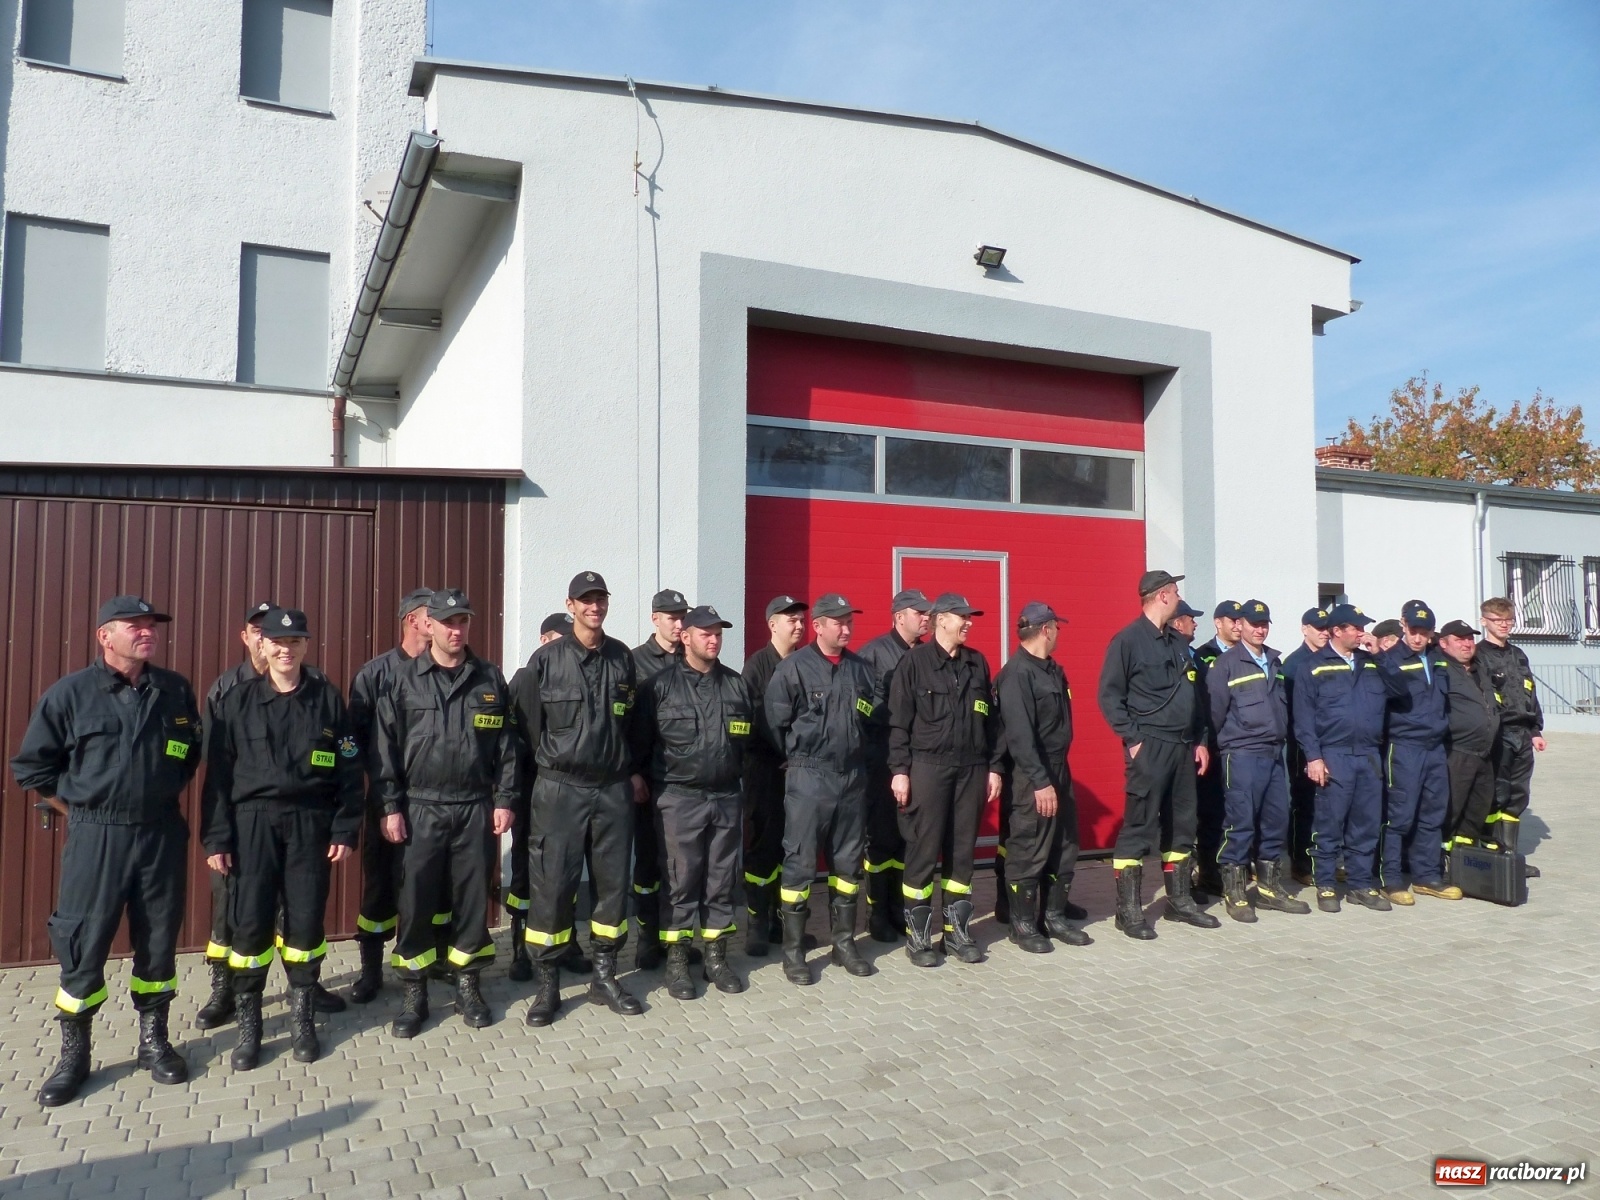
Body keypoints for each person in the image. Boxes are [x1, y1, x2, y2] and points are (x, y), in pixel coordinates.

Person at [11, 596, 202, 1106]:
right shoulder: (71, 694)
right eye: (134, 627)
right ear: (104, 636)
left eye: (151, 626)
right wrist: (83, 811)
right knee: (82, 942)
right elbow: (32, 768)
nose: (147, 633)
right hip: (98, 836)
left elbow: (187, 754)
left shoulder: (173, 691)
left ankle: (154, 1040)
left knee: (159, 937)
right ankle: (75, 1054)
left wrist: (153, 794)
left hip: (160, 833)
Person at [202, 607, 363, 1069]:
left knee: (306, 923)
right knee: (249, 923)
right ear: (260, 645)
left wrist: (345, 825)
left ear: (306, 646)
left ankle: (302, 1019)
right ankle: (250, 1027)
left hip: (310, 822)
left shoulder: (327, 700)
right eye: (276, 642)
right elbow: (217, 779)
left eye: (294, 643)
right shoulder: (237, 701)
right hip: (252, 824)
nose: (284, 650)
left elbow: (350, 768)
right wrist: (217, 839)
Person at [373, 589, 518, 1037]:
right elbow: (384, 750)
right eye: (447, 622)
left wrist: (505, 798)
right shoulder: (403, 680)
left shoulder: (489, 679)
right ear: (428, 625)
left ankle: (468, 986)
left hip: (474, 804)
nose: (456, 630)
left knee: (472, 901)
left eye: (463, 622)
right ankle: (414, 993)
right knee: (415, 901)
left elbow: (508, 747)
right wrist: (390, 807)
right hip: (421, 806)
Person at [510, 571, 649, 1026]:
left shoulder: (622, 659)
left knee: (612, 886)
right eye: (586, 600)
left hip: (610, 787)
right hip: (560, 788)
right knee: (552, 885)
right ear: (570, 606)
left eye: (601, 599)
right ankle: (548, 985)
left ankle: (604, 975)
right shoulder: (545, 660)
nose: (595, 607)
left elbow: (630, 725)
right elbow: (529, 730)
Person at [764, 593, 886, 985]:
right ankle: (794, 952)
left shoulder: (861, 670)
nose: (846, 628)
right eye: (838, 622)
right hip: (808, 777)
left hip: (851, 778)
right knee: (799, 864)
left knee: (848, 865)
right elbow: (775, 725)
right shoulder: (794, 670)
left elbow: (871, 719)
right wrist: (800, 763)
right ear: (817, 626)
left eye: (849, 621)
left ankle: (844, 944)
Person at [632, 605, 753, 999]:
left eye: (718, 633)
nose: (714, 639)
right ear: (685, 637)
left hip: (725, 796)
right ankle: (678, 959)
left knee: (721, 881)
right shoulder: (658, 687)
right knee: (680, 881)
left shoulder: (737, 686)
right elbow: (639, 745)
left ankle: (717, 957)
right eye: (705, 633)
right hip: (679, 798)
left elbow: (747, 744)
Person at [1097, 571, 1218, 939]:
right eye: (1176, 591)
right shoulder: (1128, 641)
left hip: (1183, 748)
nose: (1180, 596)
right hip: (1150, 745)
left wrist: (1199, 740)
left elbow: (1194, 696)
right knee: (1139, 827)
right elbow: (1110, 696)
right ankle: (1128, 910)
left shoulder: (1177, 642)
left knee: (1182, 826)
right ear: (1162, 596)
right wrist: (1133, 740)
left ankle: (1179, 901)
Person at [888, 593, 1001, 966]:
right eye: (962, 617)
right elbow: (899, 723)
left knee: (962, 854)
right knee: (922, 851)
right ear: (940, 621)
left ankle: (956, 934)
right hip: (928, 768)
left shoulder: (977, 663)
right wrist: (900, 771)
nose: (968, 623)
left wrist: (994, 768)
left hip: (970, 768)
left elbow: (992, 722)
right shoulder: (914, 664)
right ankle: (918, 938)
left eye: (970, 617)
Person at [346, 587, 434, 1005]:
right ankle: (370, 970)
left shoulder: (447, 668)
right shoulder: (375, 673)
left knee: (429, 886)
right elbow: (358, 742)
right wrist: (384, 799)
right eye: (432, 613)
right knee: (380, 886)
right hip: (386, 798)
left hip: (434, 799)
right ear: (412, 620)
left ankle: (425, 964)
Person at [1292, 603, 1407, 913]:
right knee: (1329, 823)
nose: (1361, 632)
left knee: (1366, 825)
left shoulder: (1371, 662)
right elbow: (1303, 719)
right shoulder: (1313, 666)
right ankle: (1326, 884)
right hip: (1333, 754)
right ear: (1336, 631)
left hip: (1369, 756)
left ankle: (1360, 885)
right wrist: (1313, 757)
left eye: (1362, 627)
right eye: (1355, 627)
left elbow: (1401, 689)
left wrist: (1380, 655)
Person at [992, 601, 1091, 954]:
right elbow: (1019, 736)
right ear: (1046, 629)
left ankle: (1053, 915)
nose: (1059, 633)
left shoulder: (1052, 670)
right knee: (1028, 848)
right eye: (1057, 627)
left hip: (1058, 768)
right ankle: (1022, 924)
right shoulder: (1017, 674)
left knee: (1064, 843)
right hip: (1032, 772)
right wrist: (1039, 781)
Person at [1204, 600, 1310, 922]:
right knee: (1240, 824)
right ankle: (1234, 893)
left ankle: (1269, 889)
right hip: (1242, 756)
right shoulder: (1226, 665)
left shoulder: (1274, 662)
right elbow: (1214, 715)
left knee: (1274, 823)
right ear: (1242, 626)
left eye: (1264, 624)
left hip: (1272, 755)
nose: (1259, 629)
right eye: (1253, 623)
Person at [504, 612, 592, 984]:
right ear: (544, 641)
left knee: (564, 873)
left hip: (563, 793)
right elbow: (521, 740)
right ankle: (520, 949)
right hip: (532, 791)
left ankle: (567, 941)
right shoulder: (528, 677)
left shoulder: (574, 677)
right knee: (527, 872)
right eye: (560, 639)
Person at [855, 588, 931, 942]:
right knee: (882, 840)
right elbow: (860, 708)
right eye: (920, 613)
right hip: (882, 761)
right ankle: (878, 914)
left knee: (907, 840)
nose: (926, 618)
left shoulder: (929, 656)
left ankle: (901, 910)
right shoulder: (873, 655)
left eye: (929, 613)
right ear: (899, 617)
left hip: (920, 763)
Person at [1377, 601, 1461, 903]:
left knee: (1432, 813)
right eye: (1413, 631)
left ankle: (1427, 876)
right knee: (1399, 815)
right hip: (1404, 747)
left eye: (1424, 633)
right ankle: (1393, 879)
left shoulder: (1438, 659)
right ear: (1403, 625)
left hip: (1434, 747)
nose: (1417, 638)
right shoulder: (1389, 659)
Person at [631, 588, 690, 968]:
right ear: (655, 619)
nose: (679, 623)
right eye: (671, 617)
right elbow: (627, 724)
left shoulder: (694, 658)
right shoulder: (635, 662)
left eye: (682, 616)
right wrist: (634, 772)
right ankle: (646, 938)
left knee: (681, 867)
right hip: (648, 782)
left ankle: (677, 941)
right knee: (649, 864)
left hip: (684, 784)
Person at [1476, 597, 1547, 877]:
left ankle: (1510, 855)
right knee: (1497, 794)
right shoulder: (1479, 655)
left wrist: (1535, 730)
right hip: (1498, 733)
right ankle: (1494, 853)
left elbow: (1530, 692)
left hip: (1522, 733)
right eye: (1498, 620)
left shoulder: (1518, 655)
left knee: (1518, 795)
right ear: (1484, 622)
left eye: (1508, 620)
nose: (1504, 625)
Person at [1437, 619, 1500, 853]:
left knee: (1477, 809)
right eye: (1459, 639)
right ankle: (1440, 857)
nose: (1466, 644)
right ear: (1443, 643)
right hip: (1457, 752)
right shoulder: (1440, 669)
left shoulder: (1478, 669)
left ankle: (1465, 857)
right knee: (1451, 809)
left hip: (1484, 752)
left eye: (1469, 638)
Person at [1192, 601, 1241, 897]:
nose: (1237, 625)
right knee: (1211, 815)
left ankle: (1235, 870)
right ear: (1217, 623)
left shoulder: (1248, 655)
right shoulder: (1204, 656)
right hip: (1212, 748)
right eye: (1231, 620)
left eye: (1240, 620)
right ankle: (1210, 874)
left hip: (1239, 749)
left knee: (1237, 814)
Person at [1283, 608, 1332, 885]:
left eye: (1326, 627)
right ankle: (1300, 863)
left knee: (1326, 805)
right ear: (1304, 629)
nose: (1323, 632)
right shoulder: (1295, 664)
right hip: (1302, 744)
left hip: (1328, 743)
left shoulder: (1329, 658)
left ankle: (1323, 858)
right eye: (1317, 627)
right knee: (1304, 805)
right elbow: (1294, 712)